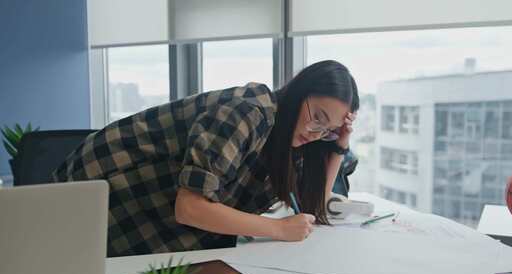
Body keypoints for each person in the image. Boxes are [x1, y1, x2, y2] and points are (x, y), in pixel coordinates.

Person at [53, 60, 359, 257]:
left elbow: (311, 207)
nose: (315, 131)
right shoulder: (249, 112)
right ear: (297, 92)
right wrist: (278, 229)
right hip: (99, 192)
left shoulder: (294, 139)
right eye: (316, 117)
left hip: (149, 215)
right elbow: (190, 207)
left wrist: (338, 144)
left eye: (327, 129)